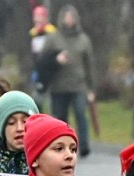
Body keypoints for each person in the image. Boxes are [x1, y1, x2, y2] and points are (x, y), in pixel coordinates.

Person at [41, 5, 96, 157]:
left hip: (79, 85)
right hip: (58, 86)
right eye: (66, 17)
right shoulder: (53, 38)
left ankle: (84, 146)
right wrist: (56, 60)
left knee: (80, 114)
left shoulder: (83, 39)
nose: (69, 20)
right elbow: (43, 60)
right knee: (60, 118)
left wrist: (91, 89)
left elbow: (89, 65)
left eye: (72, 17)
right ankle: (60, 146)